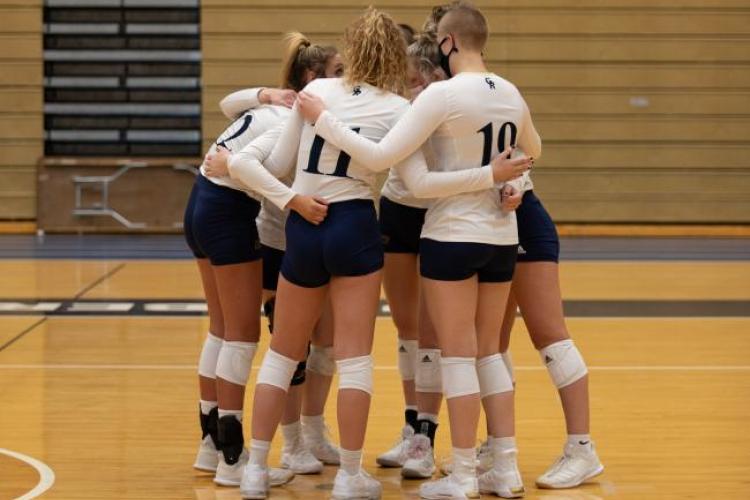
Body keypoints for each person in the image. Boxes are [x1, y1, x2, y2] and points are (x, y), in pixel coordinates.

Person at [206, 7, 530, 499]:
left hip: (305, 222)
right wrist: (497, 183)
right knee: (355, 359)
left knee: (281, 353)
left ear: (350, 50)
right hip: (355, 222)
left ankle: (253, 468)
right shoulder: (398, 107)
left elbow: (267, 163)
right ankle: (349, 477)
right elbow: (412, 182)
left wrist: (285, 196)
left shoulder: (315, 94)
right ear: (394, 56)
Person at [297, 3, 540, 498]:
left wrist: (323, 120)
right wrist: (508, 178)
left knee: (455, 354)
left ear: (447, 43)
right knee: (486, 352)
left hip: (451, 229)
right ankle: (503, 465)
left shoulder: (442, 95)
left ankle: (464, 472)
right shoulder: (510, 91)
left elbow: (389, 161)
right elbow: (532, 149)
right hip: (498, 233)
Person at [184, 32, 338, 487]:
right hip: (227, 214)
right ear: (312, 79)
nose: (345, 83)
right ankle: (234, 460)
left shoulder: (269, 107)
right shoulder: (288, 119)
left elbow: (230, 107)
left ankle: (211, 446)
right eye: (337, 74)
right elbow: (244, 165)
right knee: (241, 336)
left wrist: (264, 94)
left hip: (200, 205)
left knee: (221, 329)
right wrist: (293, 200)